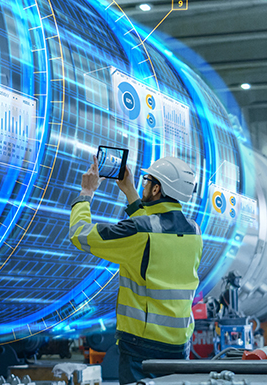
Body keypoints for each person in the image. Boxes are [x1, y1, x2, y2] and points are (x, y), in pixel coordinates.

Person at [69, 155, 203, 384]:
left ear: (156, 189)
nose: (143, 185)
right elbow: (154, 228)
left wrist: (86, 193)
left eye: (146, 181)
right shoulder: (194, 231)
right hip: (180, 343)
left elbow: (80, 234)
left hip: (142, 345)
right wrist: (130, 192)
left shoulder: (140, 232)